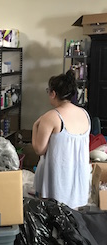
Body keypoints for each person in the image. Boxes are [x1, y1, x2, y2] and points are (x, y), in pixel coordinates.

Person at [32, 70, 90, 210]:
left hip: (57, 183)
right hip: (78, 182)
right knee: (72, 223)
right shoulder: (84, 114)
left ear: (53, 93)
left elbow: (39, 149)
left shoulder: (51, 117)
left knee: (52, 222)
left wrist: (35, 126)